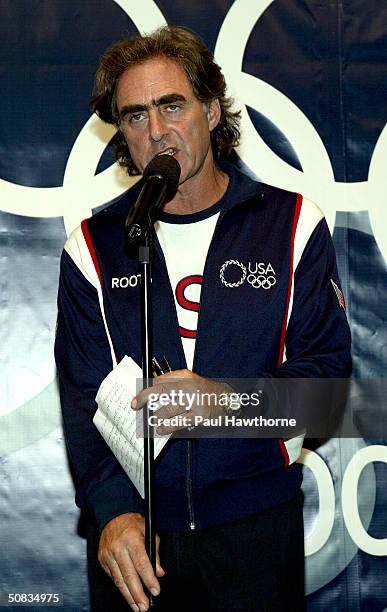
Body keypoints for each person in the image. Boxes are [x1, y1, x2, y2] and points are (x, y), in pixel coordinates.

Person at [55, 25, 351, 612]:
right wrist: (114, 512)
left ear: (212, 110)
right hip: (137, 544)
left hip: (254, 532)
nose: (157, 130)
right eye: (135, 116)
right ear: (122, 134)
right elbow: (83, 401)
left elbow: (327, 396)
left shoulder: (291, 226)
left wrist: (224, 401)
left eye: (172, 105)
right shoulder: (92, 246)